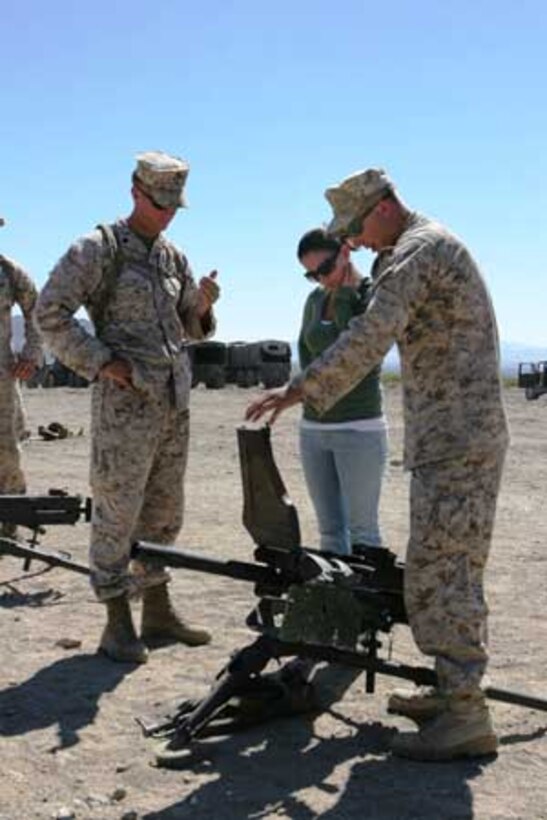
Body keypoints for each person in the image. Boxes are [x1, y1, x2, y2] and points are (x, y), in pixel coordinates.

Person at [246, 168, 509, 761]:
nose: (355, 242)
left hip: (460, 442)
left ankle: (466, 715)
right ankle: (450, 692)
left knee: (448, 574)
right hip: (450, 438)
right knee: (436, 568)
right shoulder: (420, 245)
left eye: (357, 228)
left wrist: (297, 391)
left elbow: (368, 338)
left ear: (383, 206)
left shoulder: (416, 251)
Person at [36, 151, 220, 664]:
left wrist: (202, 307)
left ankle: (157, 610)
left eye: (173, 207)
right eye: (160, 203)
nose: (166, 213)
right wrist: (100, 362)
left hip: (171, 405)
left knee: (164, 512)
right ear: (136, 191)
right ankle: (116, 622)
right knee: (118, 511)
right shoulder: (97, 249)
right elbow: (50, 313)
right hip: (125, 406)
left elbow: (187, 326)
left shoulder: (171, 257)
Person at [296, 228, 387, 555]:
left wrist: (347, 296)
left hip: (358, 428)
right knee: (331, 533)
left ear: (346, 252)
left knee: (363, 533)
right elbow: (307, 356)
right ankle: (337, 606)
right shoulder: (315, 300)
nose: (321, 280)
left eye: (325, 269)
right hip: (314, 429)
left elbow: (353, 354)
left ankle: (368, 606)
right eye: (311, 275)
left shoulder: (369, 295)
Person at [0, 216, 42, 537]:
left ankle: (8, 525)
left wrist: (31, 354)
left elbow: (38, 313)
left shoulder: (10, 273)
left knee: (6, 451)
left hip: (1, 375)